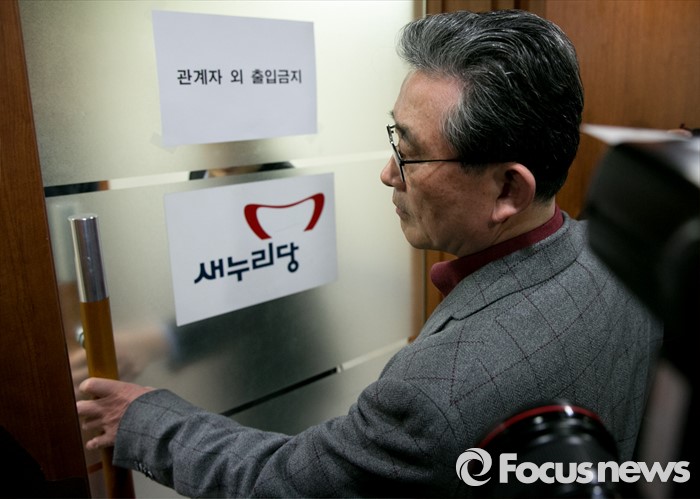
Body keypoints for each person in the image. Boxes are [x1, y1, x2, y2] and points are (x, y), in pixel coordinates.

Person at [76, 10, 662, 497]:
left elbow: (282, 483)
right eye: (393, 138)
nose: (387, 173)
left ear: (509, 189)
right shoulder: (626, 264)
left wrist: (144, 419)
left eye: (410, 153)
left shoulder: (434, 394)